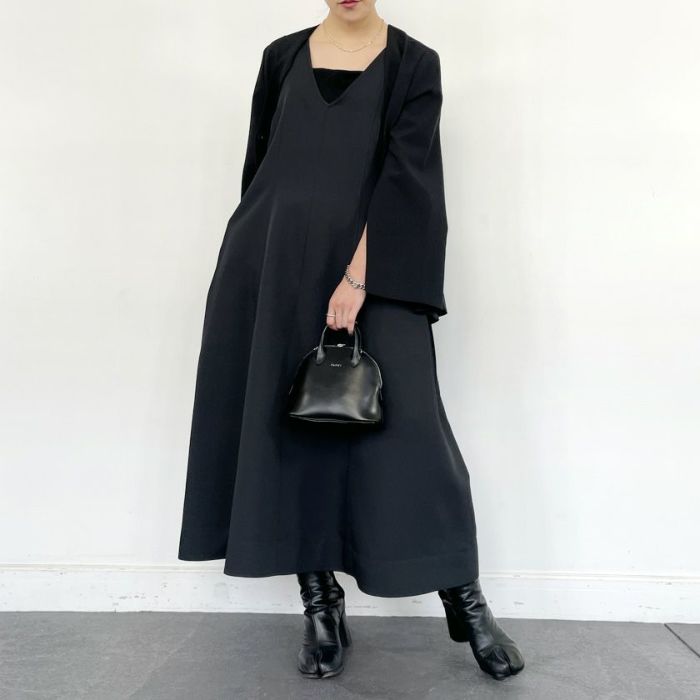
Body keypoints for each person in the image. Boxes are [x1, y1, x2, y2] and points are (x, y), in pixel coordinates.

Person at [178, 0, 524, 682]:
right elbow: (259, 168)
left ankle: (465, 601)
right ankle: (322, 606)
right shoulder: (282, 56)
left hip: (378, 267)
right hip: (272, 262)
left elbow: (409, 177)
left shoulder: (413, 63)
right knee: (296, 437)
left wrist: (358, 277)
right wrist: (260, 267)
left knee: (413, 437)